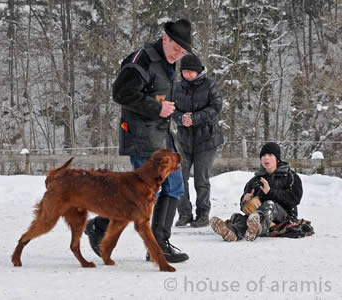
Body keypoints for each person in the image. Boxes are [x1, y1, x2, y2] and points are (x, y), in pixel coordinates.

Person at [84, 19, 193, 263]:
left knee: (172, 187)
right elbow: (121, 93)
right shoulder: (141, 59)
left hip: (161, 136)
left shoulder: (167, 63)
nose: (178, 55)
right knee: (143, 194)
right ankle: (108, 230)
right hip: (141, 137)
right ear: (165, 39)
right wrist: (157, 108)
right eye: (176, 48)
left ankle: (155, 242)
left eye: (183, 52)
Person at [210, 142, 303, 241]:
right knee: (243, 218)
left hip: (285, 216)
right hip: (258, 215)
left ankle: (257, 229)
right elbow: (244, 204)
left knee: (269, 205)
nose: (266, 158)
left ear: (277, 158)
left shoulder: (291, 176)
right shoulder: (255, 180)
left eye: (270, 155)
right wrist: (245, 201)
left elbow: (295, 198)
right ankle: (232, 232)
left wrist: (270, 192)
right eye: (263, 155)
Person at [173, 54, 223, 228]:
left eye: (191, 72)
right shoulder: (176, 87)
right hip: (184, 140)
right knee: (179, 177)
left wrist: (195, 118)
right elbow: (172, 109)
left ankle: (202, 214)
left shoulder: (210, 85)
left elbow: (216, 106)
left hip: (206, 139)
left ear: (198, 71)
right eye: (185, 72)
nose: (187, 75)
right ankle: (184, 214)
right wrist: (181, 118)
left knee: (201, 179)